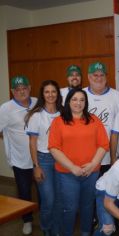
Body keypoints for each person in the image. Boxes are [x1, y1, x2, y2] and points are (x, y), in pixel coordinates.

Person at [48, 88, 109, 236]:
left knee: (88, 206)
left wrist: (93, 164)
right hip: (67, 174)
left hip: (91, 173)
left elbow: (103, 144)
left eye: (82, 100)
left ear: (86, 103)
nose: (78, 103)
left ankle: (86, 232)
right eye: (74, 99)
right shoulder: (58, 122)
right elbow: (54, 148)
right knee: (70, 208)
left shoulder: (94, 120)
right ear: (68, 101)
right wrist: (72, 167)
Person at [0, 75, 37, 235]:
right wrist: (11, 139)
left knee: (44, 191)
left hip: (40, 158)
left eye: (24, 88)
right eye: (17, 89)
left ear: (29, 88)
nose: (21, 91)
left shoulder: (37, 102)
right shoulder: (5, 108)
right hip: (20, 160)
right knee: (24, 192)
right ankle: (27, 221)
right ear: (12, 91)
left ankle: (46, 218)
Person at [25, 80, 63, 235]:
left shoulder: (63, 113)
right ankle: (46, 228)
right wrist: (36, 166)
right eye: (47, 92)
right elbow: (32, 143)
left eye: (53, 91)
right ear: (42, 94)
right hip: (44, 160)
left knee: (60, 199)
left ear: (57, 94)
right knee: (49, 200)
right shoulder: (36, 115)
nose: (50, 95)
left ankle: (56, 229)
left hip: (61, 159)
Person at [83, 61, 119, 175]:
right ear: (88, 76)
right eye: (95, 75)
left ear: (106, 76)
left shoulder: (117, 96)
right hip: (86, 156)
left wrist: (118, 154)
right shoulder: (81, 95)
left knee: (109, 191)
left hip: (111, 156)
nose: (98, 78)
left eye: (102, 75)